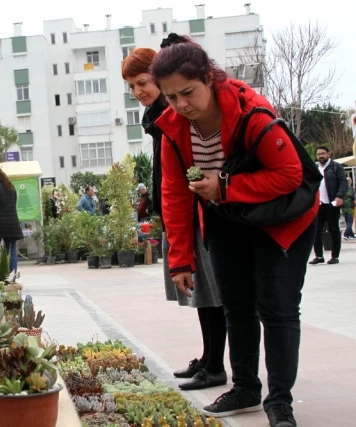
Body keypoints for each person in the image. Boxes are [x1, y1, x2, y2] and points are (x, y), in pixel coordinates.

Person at [151, 34, 318, 427]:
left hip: (281, 220)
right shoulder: (173, 128)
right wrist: (180, 259)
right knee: (236, 305)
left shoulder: (251, 112)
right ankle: (245, 386)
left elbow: (290, 174)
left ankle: (280, 403)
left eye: (188, 92)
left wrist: (224, 186)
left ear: (209, 78)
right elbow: (174, 193)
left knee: (276, 307)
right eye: (171, 97)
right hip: (227, 219)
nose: (181, 105)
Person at [123, 46, 226, 391]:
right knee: (199, 292)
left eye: (142, 82)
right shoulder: (157, 115)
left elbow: (186, 167)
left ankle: (215, 365)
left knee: (210, 292)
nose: (138, 92)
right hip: (178, 211)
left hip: (197, 209)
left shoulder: (172, 111)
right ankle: (208, 358)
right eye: (132, 87)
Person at [309, 146, 348, 264]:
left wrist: (340, 196)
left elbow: (343, 182)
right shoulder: (314, 168)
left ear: (328, 154)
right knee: (315, 231)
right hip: (318, 204)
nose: (321, 156)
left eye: (323, 153)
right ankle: (319, 256)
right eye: (318, 154)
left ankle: (335, 256)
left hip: (331, 204)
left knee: (334, 229)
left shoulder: (336, 167)